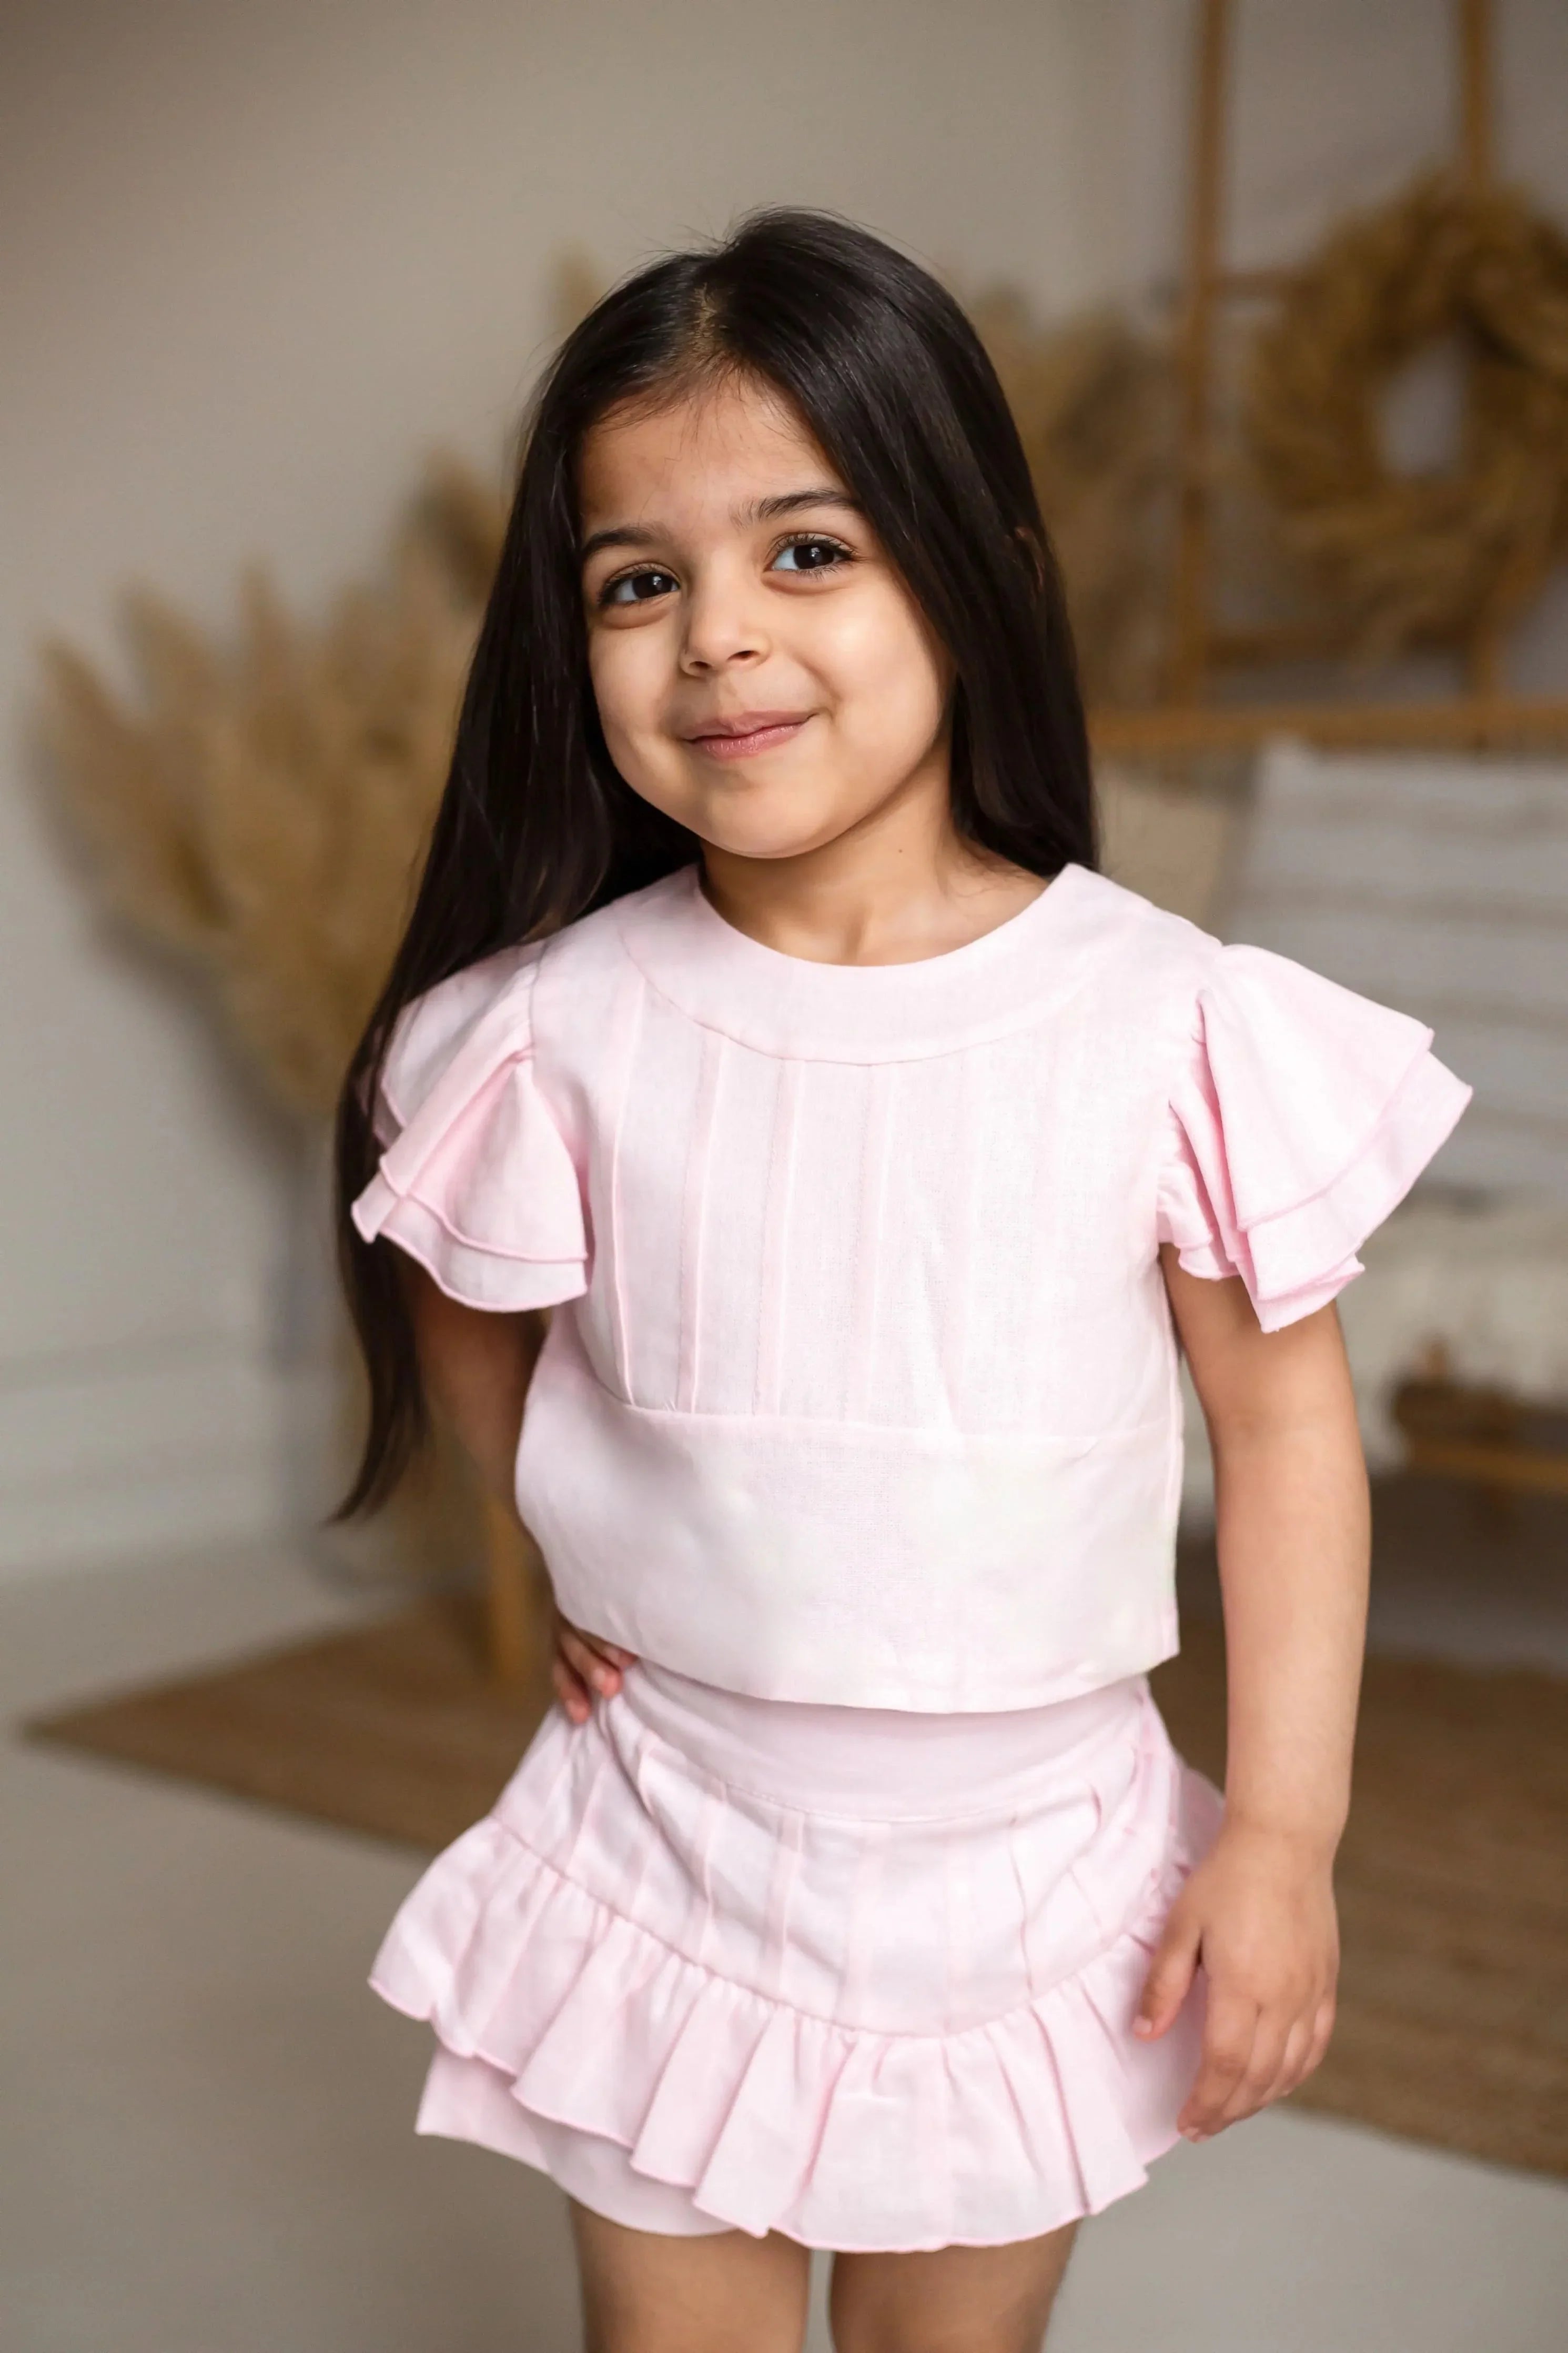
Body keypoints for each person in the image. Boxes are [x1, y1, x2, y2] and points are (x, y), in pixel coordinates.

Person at [336, 209, 1470, 2353]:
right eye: (635, 579)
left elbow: (1285, 1426)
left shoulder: (1162, 1017)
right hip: (670, 1826)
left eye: (805, 551)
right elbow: (459, 1293)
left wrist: (1287, 1828)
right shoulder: (553, 1024)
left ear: (972, 568)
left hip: (1030, 1865)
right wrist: (568, 1535)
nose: (713, 640)